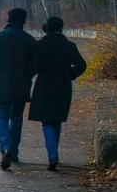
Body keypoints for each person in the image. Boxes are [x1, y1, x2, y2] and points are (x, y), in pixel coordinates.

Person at [28, 16, 88, 171]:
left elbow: (34, 67)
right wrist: (70, 74)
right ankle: (54, 152)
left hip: (44, 86)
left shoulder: (40, 45)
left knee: (46, 121)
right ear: (61, 28)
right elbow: (81, 65)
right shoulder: (69, 46)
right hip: (63, 86)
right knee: (57, 120)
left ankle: (53, 155)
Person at [0, 8, 37, 170]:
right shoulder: (30, 40)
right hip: (21, 86)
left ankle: (5, 147)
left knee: (1, 117)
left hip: (1, 85)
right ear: (24, 20)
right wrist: (26, 76)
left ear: (9, 19)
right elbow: (34, 65)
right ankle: (13, 150)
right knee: (17, 118)